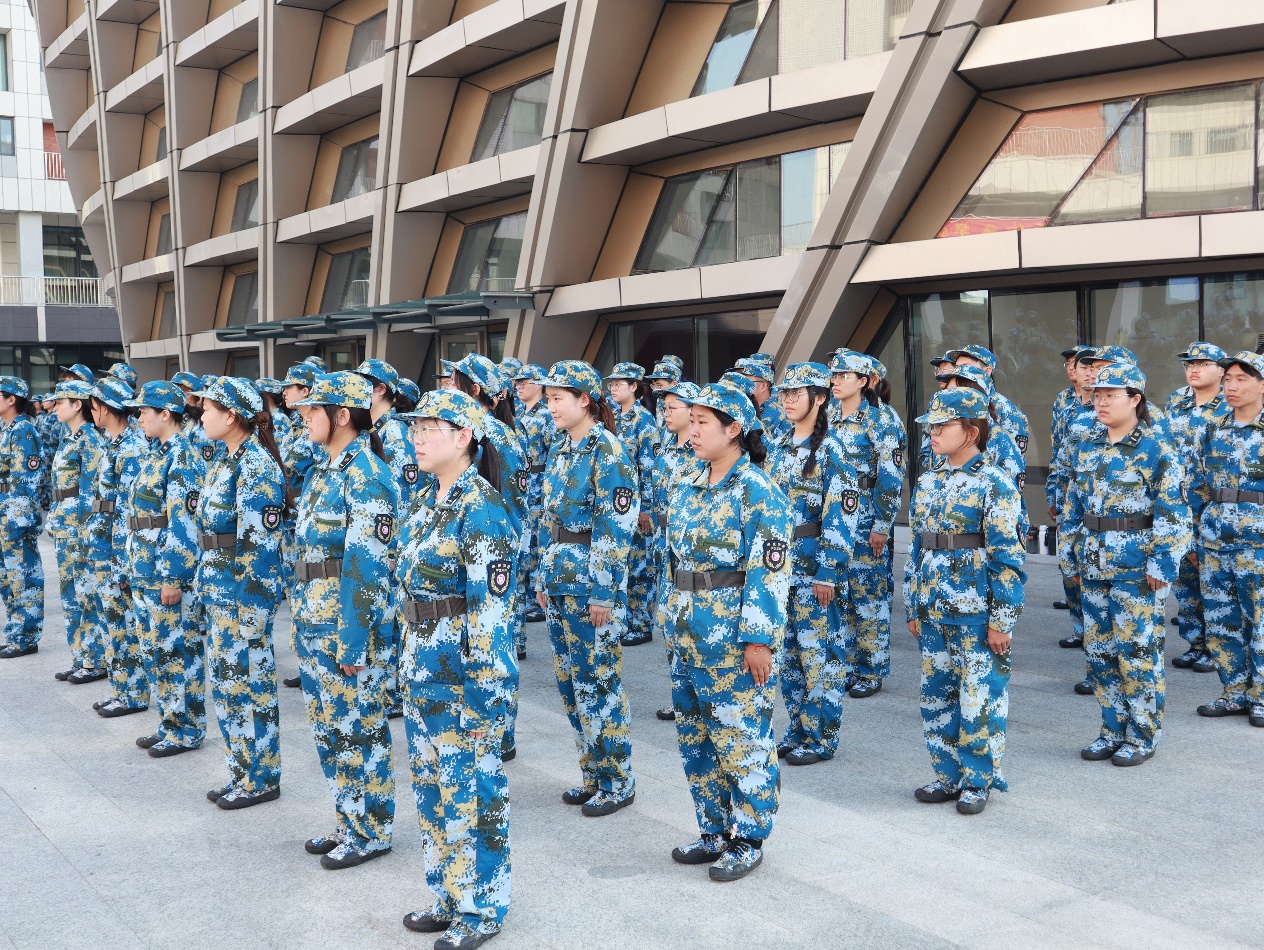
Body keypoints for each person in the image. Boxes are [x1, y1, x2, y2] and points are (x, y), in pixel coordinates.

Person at [396, 390, 518, 950]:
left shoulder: (482, 510)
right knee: (433, 790)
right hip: (421, 669)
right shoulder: (427, 500)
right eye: (415, 428)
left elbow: (491, 617)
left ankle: (482, 906)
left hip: (462, 678)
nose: (417, 438)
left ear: (465, 437)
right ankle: (448, 893)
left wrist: (483, 697)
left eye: (430, 429)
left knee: (473, 790)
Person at [664, 381, 791, 880]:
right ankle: (713, 829)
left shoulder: (758, 491)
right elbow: (674, 561)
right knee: (696, 739)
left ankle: (749, 836)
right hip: (687, 634)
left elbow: (770, 571)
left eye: (702, 423)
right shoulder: (688, 483)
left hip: (732, 640)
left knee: (741, 737)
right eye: (691, 421)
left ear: (734, 429)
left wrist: (758, 639)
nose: (692, 431)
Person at [291, 372, 398, 870]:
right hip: (314, 620)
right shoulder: (324, 471)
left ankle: (371, 830)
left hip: (346, 627)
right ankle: (348, 819)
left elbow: (366, 566)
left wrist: (353, 640)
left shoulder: (367, 475)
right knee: (330, 731)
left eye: (314, 409)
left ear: (341, 415)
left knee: (359, 729)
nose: (305, 417)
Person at [1060, 364, 1190, 766]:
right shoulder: (1086, 446)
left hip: (1137, 568)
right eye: (1097, 395)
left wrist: (1162, 563)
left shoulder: (1156, 448)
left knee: (1138, 654)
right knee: (1100, 653)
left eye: (1111, 395)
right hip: (1093, 562)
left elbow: (1174, 513)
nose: (1100, 402)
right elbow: (1073, 507)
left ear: (1135, 399)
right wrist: (1069, 554)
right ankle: (1111, 729)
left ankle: (1142, 735)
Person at [906, 388, 1026, 815]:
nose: (934, 433)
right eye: (931, 426)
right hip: (933, 608)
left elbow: (1007, 558)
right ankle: (948, 775)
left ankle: (978, 780)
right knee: (936, 697)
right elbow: (917, 547)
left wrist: (1002, 619)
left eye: (943, 426)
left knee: (978, 700)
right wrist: (913, 604)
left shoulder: (994, 482)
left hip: (975, 611)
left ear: (972, 432)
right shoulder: (928, 480)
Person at [534, 360, 637, 817]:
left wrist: (603, 592)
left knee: (599, 682)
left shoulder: (607, 450)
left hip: (590, 585)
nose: (551, 406)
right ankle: (593, 774)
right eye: (548, 398)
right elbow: (548, 519)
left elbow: (616, 525)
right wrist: (542, 576)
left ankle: (618, 780)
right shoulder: (563, 448)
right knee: (572, 684)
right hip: (560, 580)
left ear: (585, 400)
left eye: (558, 398)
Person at [195, 377, 288, 809]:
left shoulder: (255, 466)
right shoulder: (225, 459)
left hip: (241, 597)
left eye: (208, 409)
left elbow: (259, 548)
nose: (201, 415)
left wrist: (251, 612)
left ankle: (261, 778)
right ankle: (241, 771)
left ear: (231, 416)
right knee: (228, 688)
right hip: (219, 593)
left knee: (249, 690)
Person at [766, 362, 859, 765]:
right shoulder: (778, 444)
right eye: (784, 393)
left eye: (796, 393)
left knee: (819, 656)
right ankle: (798, 728)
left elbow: (842, 515)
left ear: (819, 398)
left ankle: (821, 737)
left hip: (813, 570)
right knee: (789, 658)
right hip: (779, 569)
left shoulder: (833, 451)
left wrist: (829, 572)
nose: (787, 400)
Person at [125, 381, 208, 754]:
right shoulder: (157, 452)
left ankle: (186, 730)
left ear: (166, 413)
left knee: (177, 652)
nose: (139, 417)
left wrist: (174, 576)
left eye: (145, 411)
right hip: (146, 570)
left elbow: (183, 523)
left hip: (166, 573)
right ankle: (169, 722)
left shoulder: (182, 457)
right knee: (156, 652)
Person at [1189, 351, 1264, 728]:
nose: (1231, 386)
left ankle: (1262, 695)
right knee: (1222, 621)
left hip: (1258, 544)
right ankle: (1234, 691)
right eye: (1228, 379)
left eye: (1242, 379)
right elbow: (1197, 485)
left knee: (1261, 621)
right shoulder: (1213, 429)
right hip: (1215, 542)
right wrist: (1194, 537)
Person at [828, 351, 903, 698]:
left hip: (865, 518)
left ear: (863, 381)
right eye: (834, 374)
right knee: (840, 594)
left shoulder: (880, 420)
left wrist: (882, 524)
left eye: (844, 375)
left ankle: (871, 670)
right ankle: (847, 665)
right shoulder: (827, 415)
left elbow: (890, 476)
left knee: (868, 596)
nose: (836, 380)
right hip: (834, 520)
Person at [86, 377, 151, 717]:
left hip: (118, 553)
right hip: (105, 549)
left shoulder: (132, 448)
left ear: (106, 409)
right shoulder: (114, 443)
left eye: (94, 407)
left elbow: (129, 510)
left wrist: (123, 563)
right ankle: (120, 689)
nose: (92, 413)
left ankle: (133, 693)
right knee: (112, 624)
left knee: (124, 626)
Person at [1164, 342, 1229, 672]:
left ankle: (1219, 650)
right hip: (1179, 506)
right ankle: (1195, 644)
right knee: (1186, 583)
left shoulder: (1230, 405)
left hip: (1213, 507)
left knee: (1215, 585)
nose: (1194, 369)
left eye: (1202, 363)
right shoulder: (1176, 401)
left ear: (1221, 370)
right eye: (1190, 364)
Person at [646, 380, 701, 722]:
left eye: (672, 408)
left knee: (691, 625)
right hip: (663, 545)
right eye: (664, 408)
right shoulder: (665, 445)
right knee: (669, 626)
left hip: (690, 550)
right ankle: (681, 698)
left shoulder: (701, 450)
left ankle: (698, 700)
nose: (665, 413)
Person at [47, 379, 108, 683]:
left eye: (60, 402)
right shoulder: (68, 437)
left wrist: (87, 534)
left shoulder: (90, 440)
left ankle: (95, 660)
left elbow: (90, 491)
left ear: (77, 405)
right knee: (70, 595)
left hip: (79, 528)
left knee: (87, 594)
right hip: (64, 525)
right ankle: (80, 657)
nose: (54, 407)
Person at [605, 362, 657, 648]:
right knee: (621, 562)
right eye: (611, 384)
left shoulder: (644, 421)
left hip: (636, 502)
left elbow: (648, 468)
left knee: (639, 567)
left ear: (634, 386)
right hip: (615, 502)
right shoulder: (611, 416)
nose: (613, 388)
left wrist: (646, 508)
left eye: (619, 384)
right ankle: (624, 619)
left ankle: (642, 623)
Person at [0, 377, 46, 659]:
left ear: (11, 400)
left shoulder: (23, 431)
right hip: (4, 513)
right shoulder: (6, 429)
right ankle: (15, 632)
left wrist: (16, 521)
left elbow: (25, 481)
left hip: (15, 516)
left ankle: (26, 637)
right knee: (7, 578)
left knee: (23, 577)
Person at [512, 363, 553, 630]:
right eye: (517, 383)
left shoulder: (547, 416)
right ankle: (525, 594)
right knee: (525, 542)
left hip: (539, 486)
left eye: (524, 382)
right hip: (523, 487)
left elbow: (553, 455)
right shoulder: (517, 414)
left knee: (538, 543)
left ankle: (536, 599)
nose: (518, 387)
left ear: (538, 385)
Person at [734, 353, 791, 444]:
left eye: (746, 381)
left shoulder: (780, 414)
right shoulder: (741, 405)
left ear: (763, 386)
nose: (740, 385)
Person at [256, 378, 294, 446]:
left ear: (267, 396)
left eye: (259, 394)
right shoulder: (264, 416)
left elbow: (283, 448)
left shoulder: (280, 419)